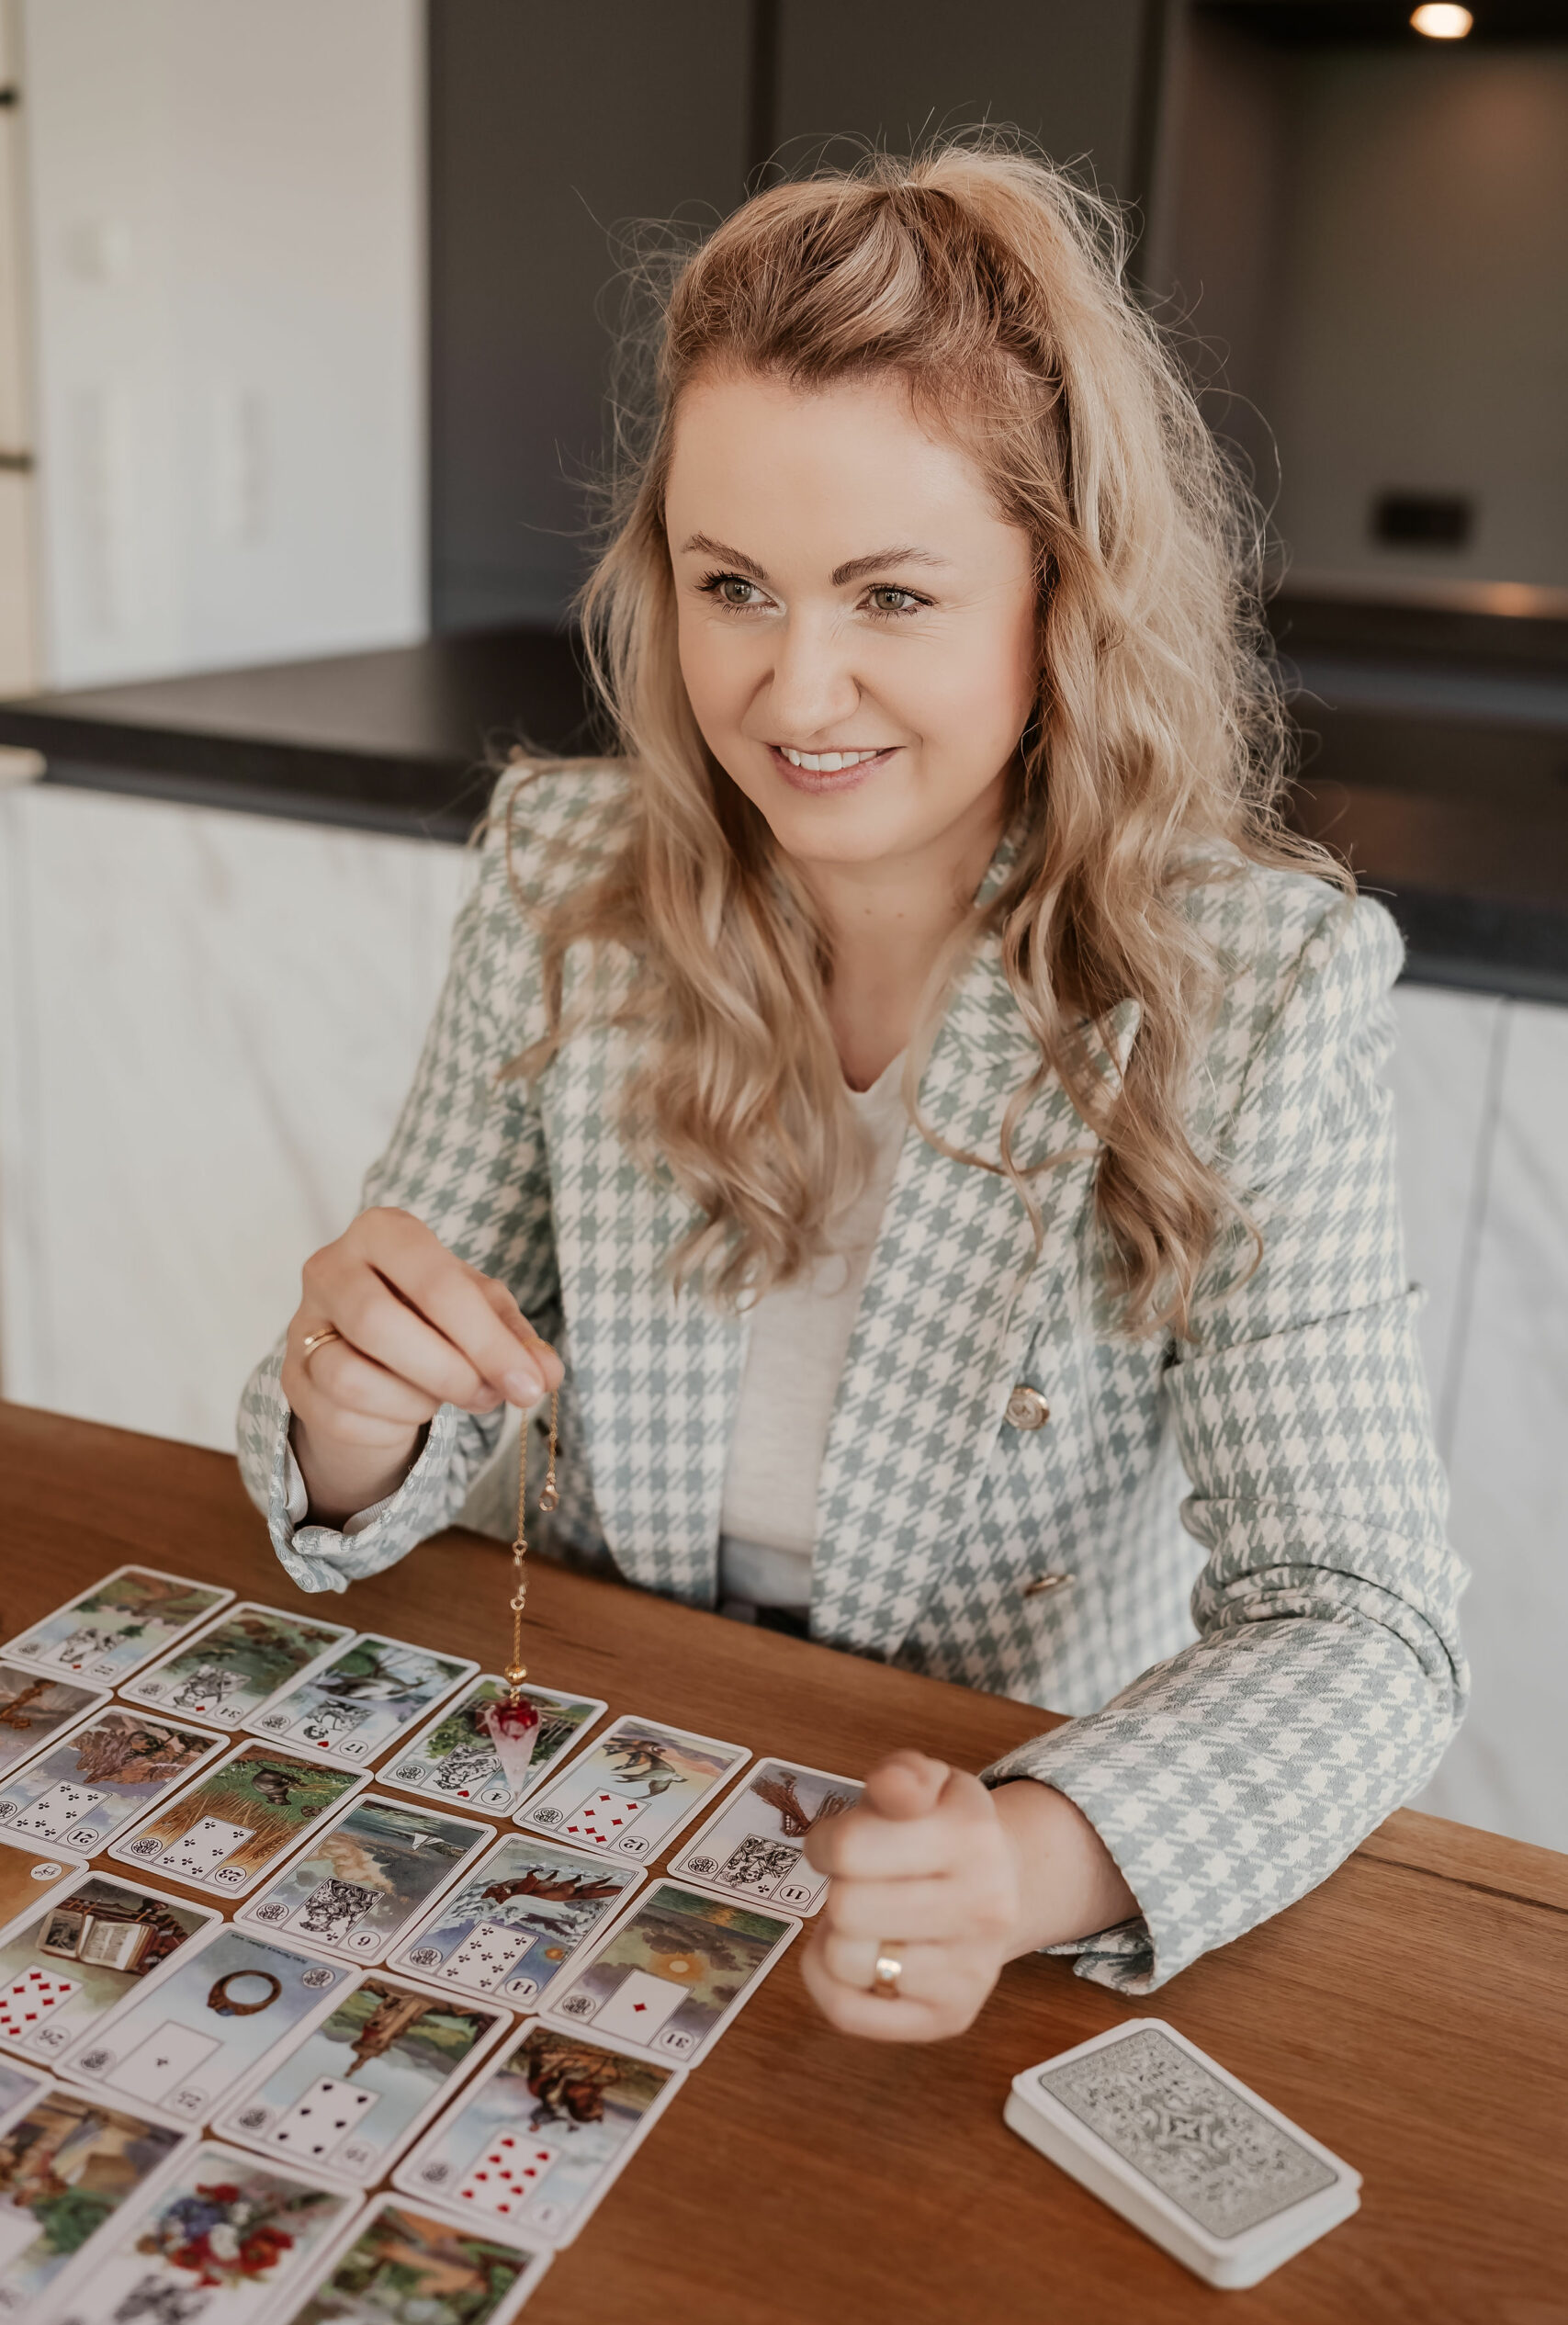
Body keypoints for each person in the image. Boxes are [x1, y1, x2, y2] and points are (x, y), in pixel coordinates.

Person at [238, 141, 1466, 2041]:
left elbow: (1358, 1620)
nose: (792, 693)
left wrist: (1035, 1854)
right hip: (588, 1804)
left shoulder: (1250, 982)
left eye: (888, 596)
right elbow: (370, 1446)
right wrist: (351, 1404)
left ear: (1059, 595)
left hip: (969, 1858)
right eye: (732, 582)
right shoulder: (566, 871)